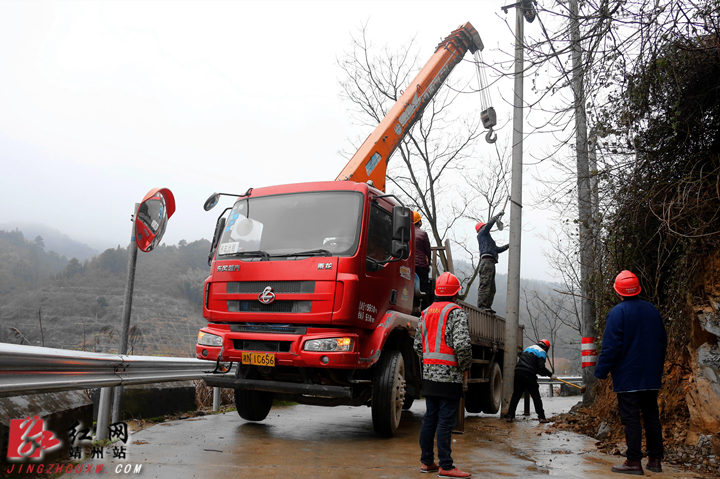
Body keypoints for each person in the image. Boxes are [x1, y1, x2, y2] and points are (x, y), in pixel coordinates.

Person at [595, 270, 667, 475]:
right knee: (652, 416)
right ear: (638, 289)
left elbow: (611, 347)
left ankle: (633, 462)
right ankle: (655, 460)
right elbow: (663, 341)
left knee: (631, 419)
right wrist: (656, 367)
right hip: (651, 374)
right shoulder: (653, 310)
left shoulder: (618, 313)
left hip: (628, 377)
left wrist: (601, 372)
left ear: (618, 291)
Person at [413, 272, 473, 478]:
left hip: (429, 375)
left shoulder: (425, 313)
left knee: (430, 418)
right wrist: (465, 366)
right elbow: (463, 345)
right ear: (456, 294)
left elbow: (418, 346)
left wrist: (431, 361)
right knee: (446, 421)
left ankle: (427, 461)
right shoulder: (456, 313)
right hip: (449, 376)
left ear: (437, 292)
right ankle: (446, 466)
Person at [503, 339, 557, 424]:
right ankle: (542, 417)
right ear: (546, 348)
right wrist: (551, 375)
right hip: (528, 373)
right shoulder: (542, 352)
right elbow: (541, 368)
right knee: (536, 396)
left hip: (518, 371)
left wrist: (541, 372)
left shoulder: (528, 348)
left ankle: (510, 416)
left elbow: (533, 365)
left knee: (516, 395)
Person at [475, 213, 509, 313]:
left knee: (491, 287)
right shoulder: (482, 234)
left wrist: (509, 245)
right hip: (486, 262)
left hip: (490, 263)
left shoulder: (488, 240)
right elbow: (488, 225)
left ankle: (487, 306)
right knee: (485, 285)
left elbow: (497, 249)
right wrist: (496, 217)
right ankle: (482, 306)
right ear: (481, 228)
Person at [413, 211, 433, 310]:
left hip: (409, 266)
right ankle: (425, 310)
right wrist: (428, 262)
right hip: (421, 267)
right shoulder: (423, 234)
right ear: (419, 222)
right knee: (424, 288)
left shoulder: (406, 232)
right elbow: (427, 251)